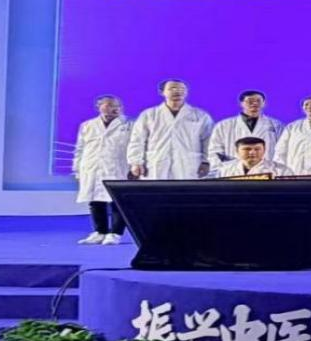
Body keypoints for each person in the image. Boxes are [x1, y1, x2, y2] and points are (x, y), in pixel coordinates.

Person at [72, 95, 132, 245]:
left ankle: (115, 233)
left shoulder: (130, 125)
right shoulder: (88, 125)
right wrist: (77, 169)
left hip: (118, 167)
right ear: (99, 107)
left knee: (117, 202)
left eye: (117, 105)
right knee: (95, 200)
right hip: (92, 167)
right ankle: (100, 232)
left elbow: (136, 147)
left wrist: (135, 166)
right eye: (109, 105)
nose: (114, 108)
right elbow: (80, 149)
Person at [128, 79, 214, 180]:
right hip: (156, 164)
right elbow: (137, 140)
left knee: (187, 189)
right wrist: (136, 162)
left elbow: (209, 141)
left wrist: (206, 162)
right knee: (156, 189)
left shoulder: (200, 116)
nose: (177, 91)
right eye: (172, 88)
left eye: (182, 89)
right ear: (162, 92)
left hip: (189, 165)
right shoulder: (149, 115)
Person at [207, 90, 284, 170]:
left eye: (258, 101)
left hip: (267, 171)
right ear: (241, 103)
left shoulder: (276, 126)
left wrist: (277, 170)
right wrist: (224, 169)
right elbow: (214, 152)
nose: (255, 104)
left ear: (264, 103)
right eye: (250, 101)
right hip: (233, 172)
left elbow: (282, 151)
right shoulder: (223, 126)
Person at [211, 137, 294, 178]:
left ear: (264, 150)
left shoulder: (281, 170)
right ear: (237, 151)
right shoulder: (225, 170)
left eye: (257, 149)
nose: (252, 152)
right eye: (247, 149)